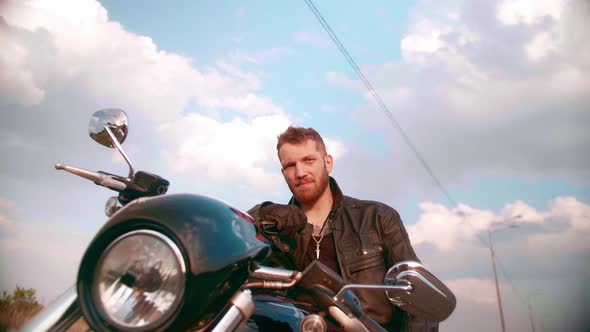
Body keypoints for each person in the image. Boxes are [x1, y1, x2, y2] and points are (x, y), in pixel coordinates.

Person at [248, 126, 439, 331]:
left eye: (308, 160)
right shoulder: (274, 230)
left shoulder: (377, 218)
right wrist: (262, 213)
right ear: (283, 172)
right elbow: (228, 242)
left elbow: (418, 301)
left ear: (328, 163)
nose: (300, 172)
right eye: (290, 165)